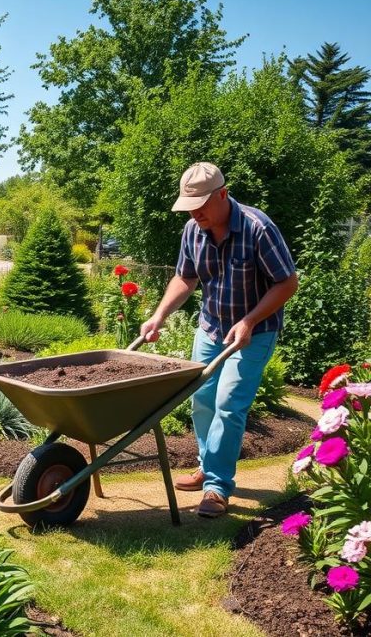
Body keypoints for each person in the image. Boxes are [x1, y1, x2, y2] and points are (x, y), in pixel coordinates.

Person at [140, 162, 298, 518]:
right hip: (211, 328)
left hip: (254, 332)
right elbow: (185, 278)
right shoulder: (193, 231)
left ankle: (217, 486)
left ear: (223, 195)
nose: (194, 213)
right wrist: (158, 315)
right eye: (189, 206)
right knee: (202, 402)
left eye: (200, 205)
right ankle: (206, 464)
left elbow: (287, 282)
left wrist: (249, 320)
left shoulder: (258, 229)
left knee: (229, 404)